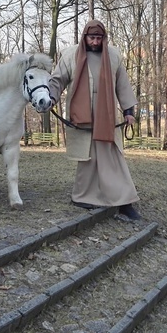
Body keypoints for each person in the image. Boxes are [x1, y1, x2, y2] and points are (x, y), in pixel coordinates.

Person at [48, 19, 141, 221]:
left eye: (99, 38)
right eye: (92, 38)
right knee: (87, 159)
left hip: (106, 117)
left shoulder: (114, 55)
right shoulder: (70, 55)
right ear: (84, 37)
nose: (95, 42)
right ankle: (83, 196)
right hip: (81, 116)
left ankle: (124, 201)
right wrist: (50, 98)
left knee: (112, 158)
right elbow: (57, 80)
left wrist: (128, 110)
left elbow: (122, 85)